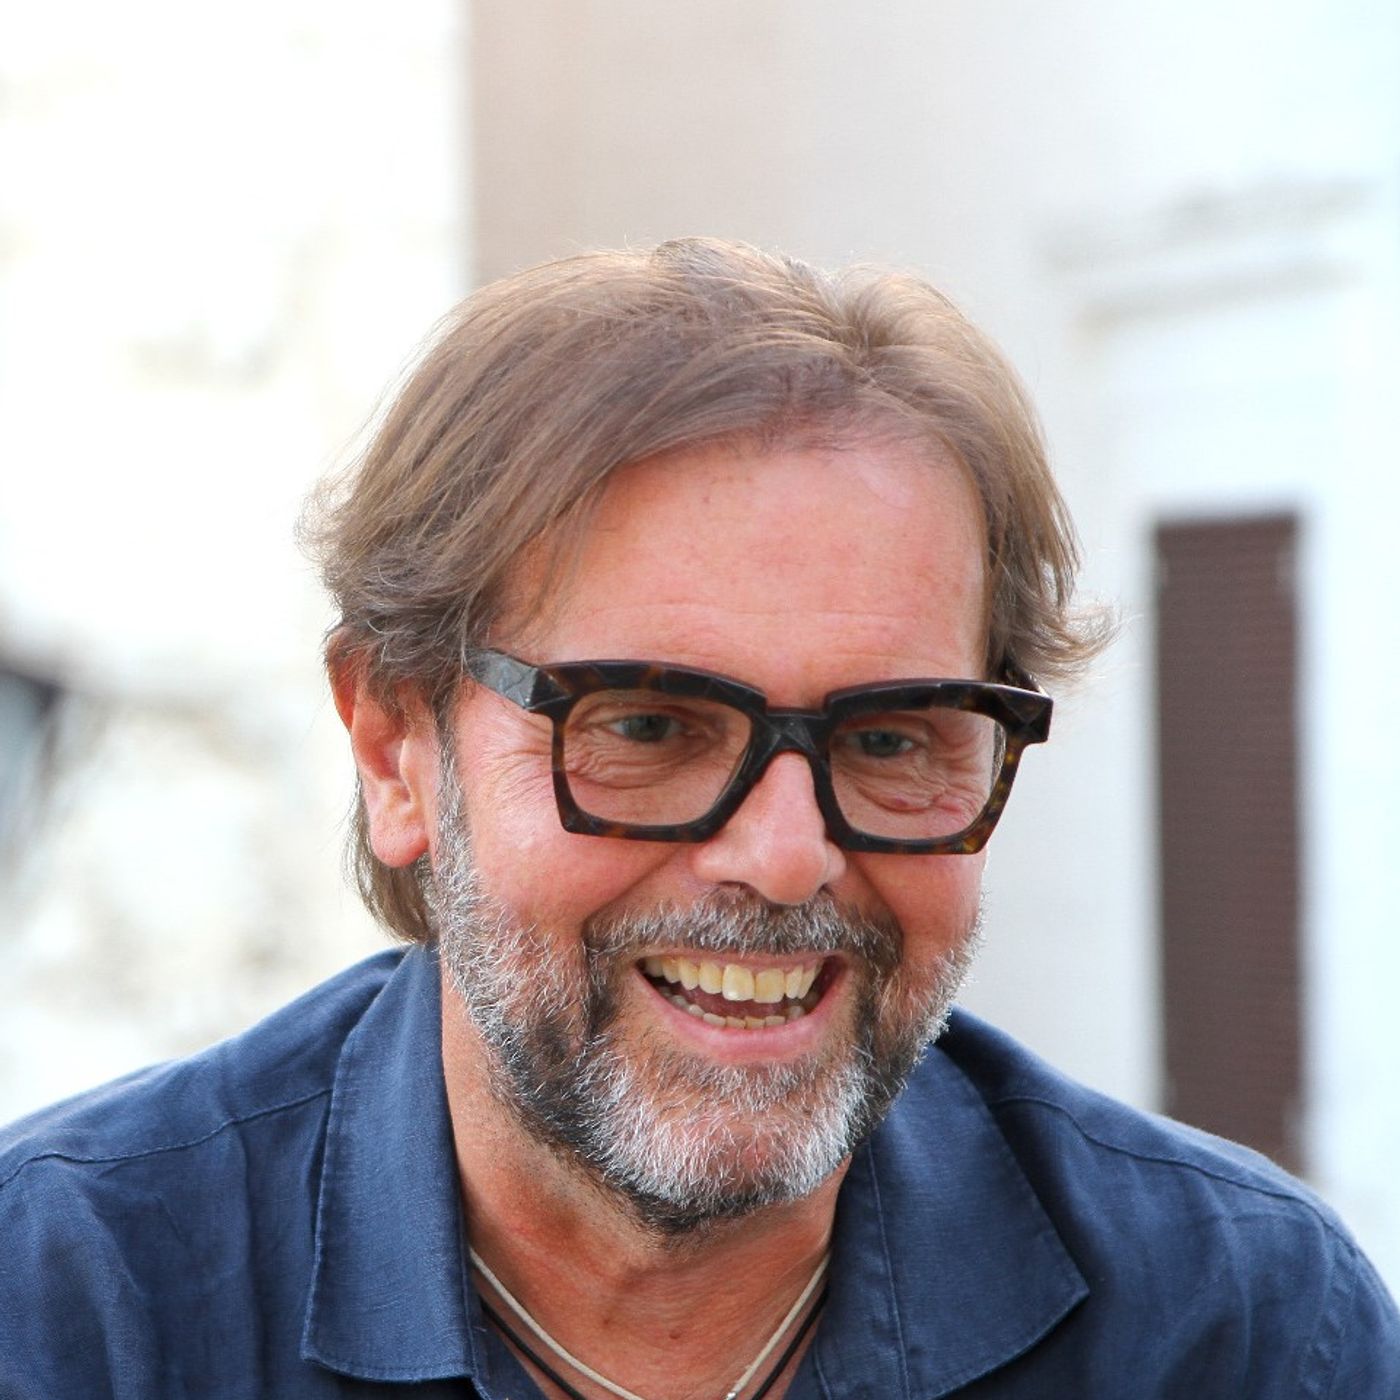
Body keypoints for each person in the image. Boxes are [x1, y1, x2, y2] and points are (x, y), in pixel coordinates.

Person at [1, 238, 1396, 1398]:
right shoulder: (70, 1312)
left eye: (890, 738)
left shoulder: (1241, 1332)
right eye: (649, 727)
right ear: (394, 747)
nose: (786, 856)